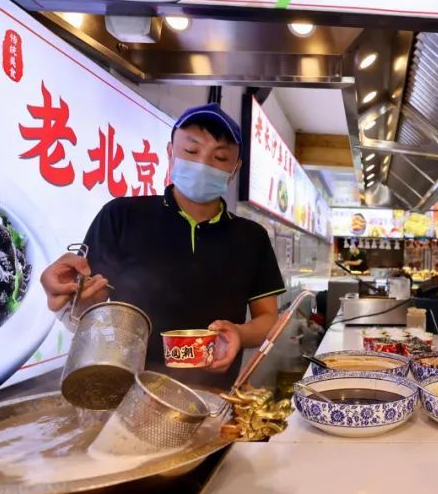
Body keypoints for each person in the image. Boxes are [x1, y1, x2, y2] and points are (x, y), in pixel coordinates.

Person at [40, 103, 285, 391]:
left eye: (219, 157)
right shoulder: (121, 215)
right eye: (191, 152)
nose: (203, 164)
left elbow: (268, 319)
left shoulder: (252, 237)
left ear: (235, 169)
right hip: (124, 393)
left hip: (212, 398)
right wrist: (72, 300)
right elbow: (85, 305)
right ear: (170, 153)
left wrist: (240, 334)